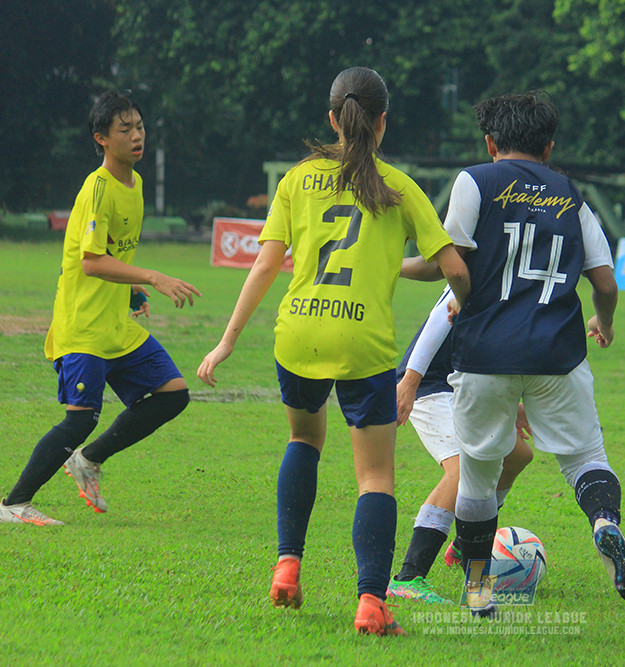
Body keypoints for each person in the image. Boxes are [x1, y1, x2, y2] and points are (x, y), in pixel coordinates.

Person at [196, 67, 470, 637]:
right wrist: (464, 303)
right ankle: (371, 602)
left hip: (297, 333)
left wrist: (226, 342)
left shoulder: (298, 179)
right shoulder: (398, 185)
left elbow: (267, 263)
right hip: (364, 342)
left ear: (332, 118)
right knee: (374, 478)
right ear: (382, 122)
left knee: (303, 440)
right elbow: (453, 268)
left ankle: (288, 565)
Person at [441, 92, 625, 615]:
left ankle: (479, 592)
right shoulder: (568, 193)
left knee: (479, 474)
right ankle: (604, 524)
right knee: (585, 459)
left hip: (486, 353)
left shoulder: (475, 181)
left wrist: (465, 306)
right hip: (558, 352)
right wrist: (605, 318)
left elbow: (453, 262)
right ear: (549, 147)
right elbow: (604, 279)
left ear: (490, 143)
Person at [0, 91, 200, 527]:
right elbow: (90, 261)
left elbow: (113, 254)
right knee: (80, 420)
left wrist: (132, 292)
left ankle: (88, 460)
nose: (136, 136)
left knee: (173, 395)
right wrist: (152, 277)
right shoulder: (98, 189)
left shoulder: (136, 184)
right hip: (84, 326)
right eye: (124, 129)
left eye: (140, 126)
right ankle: (13, 504)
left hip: (115, 324)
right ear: (101, 138)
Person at [386, 286, 534, 604]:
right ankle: (408, 577)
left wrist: (513, 405)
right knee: (462, 469)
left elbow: (502, 347)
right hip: (429, 383)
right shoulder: (483, 267)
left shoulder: (523, 279)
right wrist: (409, 383)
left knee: (517, 456)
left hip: (467, 386)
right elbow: (440, 317)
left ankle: (467, 542)